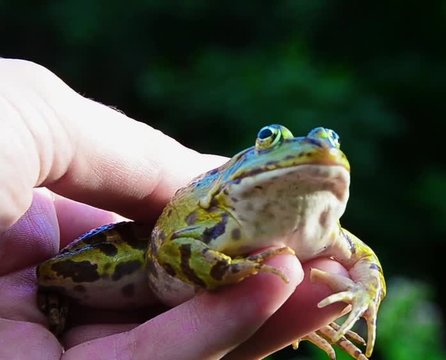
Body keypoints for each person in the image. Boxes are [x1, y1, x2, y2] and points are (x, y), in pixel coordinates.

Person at [0, 58, 348, 359]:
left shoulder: (325, 231)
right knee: (56, 272)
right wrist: (229, 270)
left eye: (330, 141)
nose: (312, 150)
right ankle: (51, 293)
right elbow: (172, 247)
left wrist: (364, 295)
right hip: (148, 252)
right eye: (271, 140)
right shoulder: (220, 208)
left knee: (273, 299)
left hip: (183, 296)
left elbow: (363, 264)